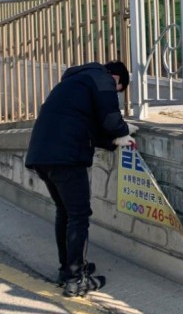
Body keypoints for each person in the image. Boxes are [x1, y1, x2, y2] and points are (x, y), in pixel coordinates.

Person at [25, 61, 138, 297]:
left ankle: (68, 270)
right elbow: (109, 118)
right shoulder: (102, 79)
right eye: (118, 90)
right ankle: (76, 279)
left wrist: (113, 141)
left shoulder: (74, 82)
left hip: (41, 154)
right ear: (117, 79)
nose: (115, 94)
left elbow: (85, 127)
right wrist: (123, 131)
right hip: (66, 158)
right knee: (78, 216)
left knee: (65, 212)